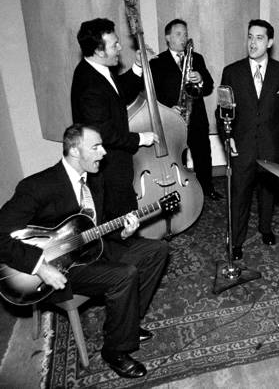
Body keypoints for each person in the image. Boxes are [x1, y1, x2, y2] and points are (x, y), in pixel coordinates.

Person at [0, 125, 169, 378]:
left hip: (92, 249)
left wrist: (123, 232)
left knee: (158, 249)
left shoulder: (95, 179)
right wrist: (40, 267)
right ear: (75, 151)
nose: (104, 152)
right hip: (58, 269)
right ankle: (115, 351)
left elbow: (99, 225)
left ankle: (127, 324)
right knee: (125, 274)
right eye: (96, 147)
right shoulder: (38, 186)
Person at [219, 19, 279, 260]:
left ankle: (265, 228)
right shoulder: (232, 71)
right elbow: (223, 110)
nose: (252, 43)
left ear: (270, 42)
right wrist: (227, 136)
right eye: (250, 37)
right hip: (242, 145)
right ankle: (236, 241)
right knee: (239, 194)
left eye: (259, 38)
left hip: (271, 144)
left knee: (268, 192)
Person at [71, 17, 159, 221]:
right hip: (109, 170)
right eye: (115, 45)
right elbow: (104, 132)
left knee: (127, 218)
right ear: (99, 51)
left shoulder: (97, 69)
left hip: (115, 164)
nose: (120, 48)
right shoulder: (89, 85)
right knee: (122, 220)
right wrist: (140, 138)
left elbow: (117, 95)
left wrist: (138, 66)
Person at [149, 19, 221, 200]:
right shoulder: (157, 62)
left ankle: (207, 188)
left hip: (197, 118)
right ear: (168, 37)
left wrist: (201, 79)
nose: (184, 38)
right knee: (177, 158)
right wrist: (168, 109)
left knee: (203, 155)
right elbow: (153, 94)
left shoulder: (197, 58)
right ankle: (180, 192)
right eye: (179, 34)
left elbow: (209, 86)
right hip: (173, 119)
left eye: (186, 34)